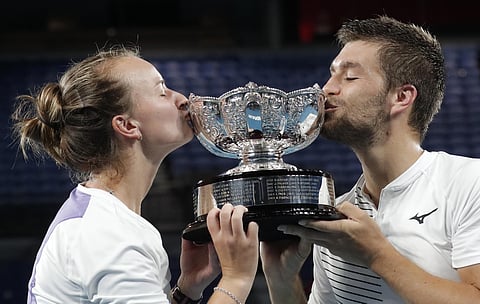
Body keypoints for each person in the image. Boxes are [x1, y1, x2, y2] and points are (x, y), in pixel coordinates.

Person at [11, 46, 259, 304]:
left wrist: (186, 290)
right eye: (162, 92)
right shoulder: (106, 234)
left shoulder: (108, 220)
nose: (183, 99)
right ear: (127, 126)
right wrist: (235, 279)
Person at [260, 15, 480, 303]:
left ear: (401, 97)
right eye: (332, 73)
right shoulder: (337, 213)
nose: (327, 89)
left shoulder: (468, 183)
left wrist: (376, 255)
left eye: (349, 76)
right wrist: (282, 278)